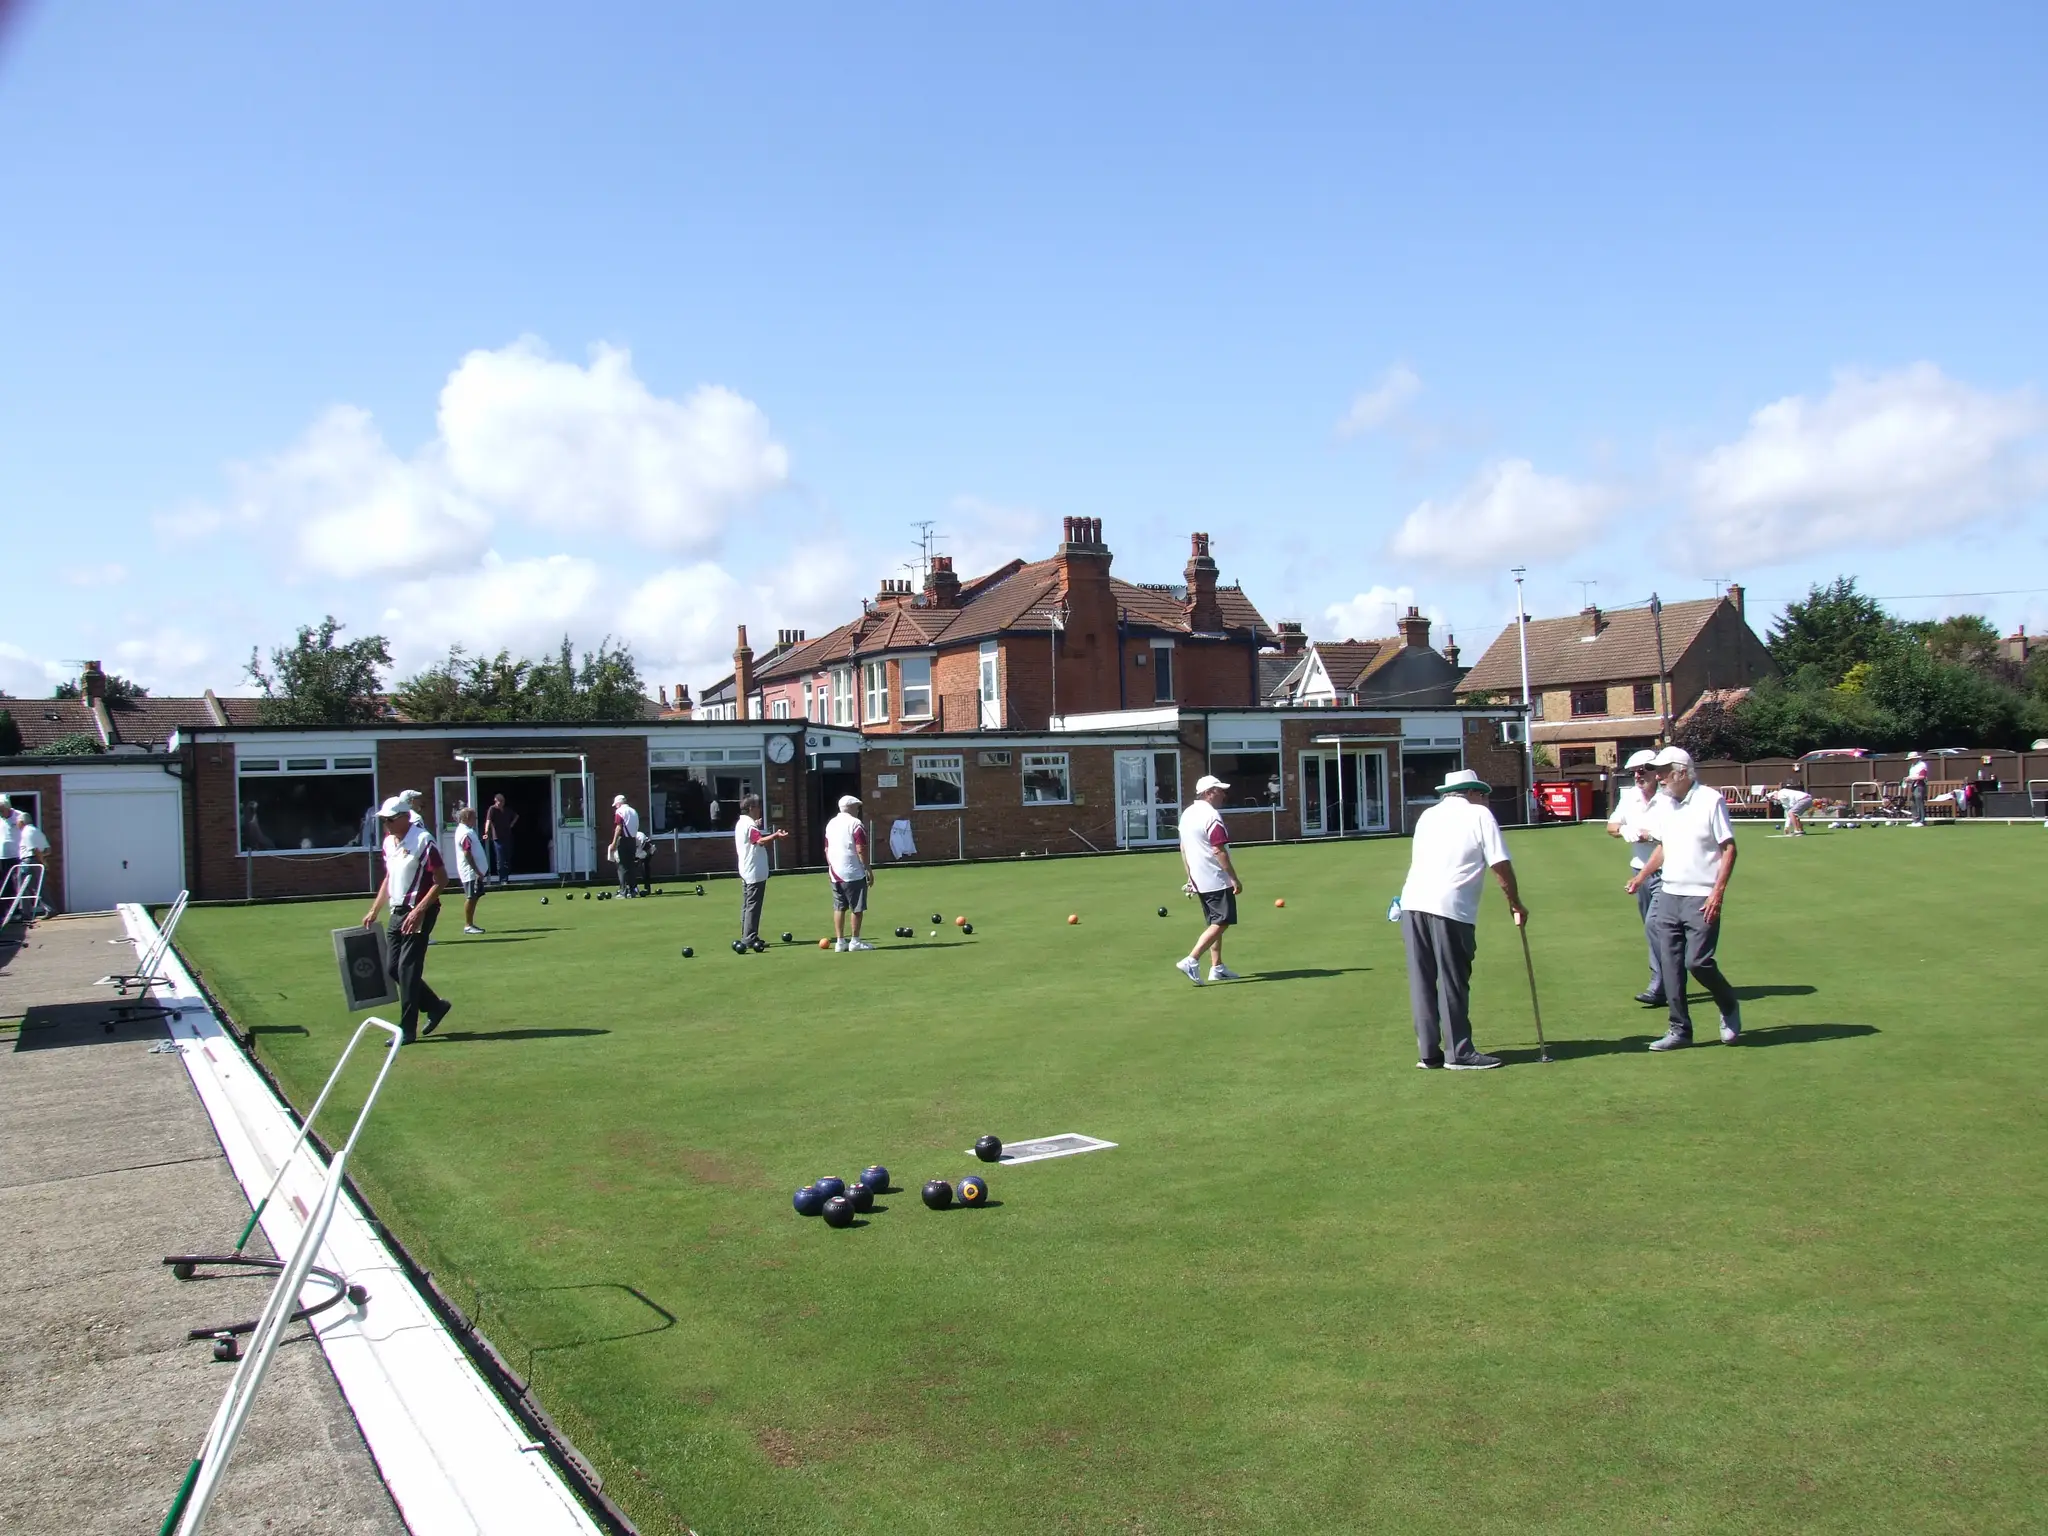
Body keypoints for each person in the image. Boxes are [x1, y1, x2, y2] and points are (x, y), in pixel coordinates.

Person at [1398, 767, 1526, 1070]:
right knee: (1453, 981)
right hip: (1450, 907)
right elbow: (1500, 864)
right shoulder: (1479, 815)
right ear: (1472, 792)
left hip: (1411, 902)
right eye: (1483, 794)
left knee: (1422, 981)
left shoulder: (1428, 815)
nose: (1485, 799)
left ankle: (1429, 1053)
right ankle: (1459, 1053)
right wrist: (1516, 903)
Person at [1629, 746, 1741, 1051]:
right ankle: (1679, 1029)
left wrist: (1718, 891)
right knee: (1671, 964)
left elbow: (1728, 848)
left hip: (1702, 894)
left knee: (1698, 962)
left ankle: (1729, 1004)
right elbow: (1664, 847)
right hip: (1669, 892)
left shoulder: (1710, 800)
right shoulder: (1664, 804)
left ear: (1681, 771)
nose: (1659, 777)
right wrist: (1641, 876)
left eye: (1664, 771)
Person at [362, 793, 451, 1044]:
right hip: (397, 910)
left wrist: (420, 910)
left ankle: (406, 1029)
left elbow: (441, 880)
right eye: (384, 821)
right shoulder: (389, 843)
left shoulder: (423, 840)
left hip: (420, 910)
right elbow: (389, 879)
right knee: (392, 968)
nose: (386, 825)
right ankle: (435, 1005)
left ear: (404, 818)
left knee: (408, 969)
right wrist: (374, 909)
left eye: (390, 820)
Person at [1605, 749, 1666, 1006]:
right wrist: (1625, 830)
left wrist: (1651, 835)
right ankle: (1667, 983)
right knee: (1652, 929)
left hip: (1668, 871)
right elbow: (1611, 826)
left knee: (1655, 926)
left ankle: (1659, 985)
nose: (1639, 775)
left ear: (1657, 771)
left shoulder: (1669, 797)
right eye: (1635, 771)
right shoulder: (1629, 797)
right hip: (1639, 870)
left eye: (1644, 770)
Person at [1174, 774, 1243, 984]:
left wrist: (1190, 877)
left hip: (1199, 877)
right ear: (1207, 793)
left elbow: (1183, 847)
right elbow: (1218, 849)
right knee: (1222, 921)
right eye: (1219, 790)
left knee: (1215, 921)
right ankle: (1192, 960)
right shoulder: (1211, 815)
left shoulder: (1187, 814)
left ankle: (1217, 967)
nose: (1223, 794)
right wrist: (1234, 877)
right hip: (1215, 877)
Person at [733, 793, 789, 951]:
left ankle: (747, 935)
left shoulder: (743, 823)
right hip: (754, 870)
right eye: (758, 806)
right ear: (751, 808)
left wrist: (756, 825)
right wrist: (776, 835)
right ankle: (749, 938)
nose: (760, 810)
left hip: (746, 869)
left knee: (747, 905)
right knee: (753, 906)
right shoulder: (749, 825)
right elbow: (760, 841)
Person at [824, 794, 874, 951]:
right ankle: (855, 941)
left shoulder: (831, 823)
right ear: (851, 808)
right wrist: (867, 868)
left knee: (839, 907)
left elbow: (826, 847)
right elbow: (861, 848)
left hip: (835, 872)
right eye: (857, 807)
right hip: (853, 871)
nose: (858, 810)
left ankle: (840, 942)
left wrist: (831, 865)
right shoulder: (855, 823)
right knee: (856, 907)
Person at [453, 805, 488, 934]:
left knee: (474, 896)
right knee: (471, 896)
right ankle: (468, 925)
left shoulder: (468, 830)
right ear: (467, 818)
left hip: (475, 872)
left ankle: (470, 924)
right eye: (474, 817)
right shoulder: (464, 832)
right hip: (470, 872)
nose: (475, 820)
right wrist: (477, 870)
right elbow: (467, 852)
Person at [609, 794, 643, 897]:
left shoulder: (620, 811)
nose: (615, 806)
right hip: (632, 840)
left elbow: (619, 827)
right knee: (631, 866)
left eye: (616, 804)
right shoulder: (634, 811)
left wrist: (614, 843)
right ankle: (633, 890)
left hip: (623, 840)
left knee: (622, 866)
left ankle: (623, 891)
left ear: (619, 803)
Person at [483, 793, 517, 884]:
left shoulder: (507, 810)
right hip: (497, 838)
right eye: (500, 801)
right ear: (496, 801)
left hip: (507, 837)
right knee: (500, 859)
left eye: (503, 801)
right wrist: (486, 832)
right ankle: (502, 879)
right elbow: (488, 821)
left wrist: (511, 825)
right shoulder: (492, 809)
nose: (501, 803)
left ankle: (506, 878)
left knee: (507, 858)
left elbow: (516, 816)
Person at [1904, 752, 1930, 826]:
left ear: (1916, 758)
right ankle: (1915, 820)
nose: (1911, 760)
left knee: (1919, 801)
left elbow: (1922, 776)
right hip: (1913, 785)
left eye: (1912, 759)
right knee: (1913, 802)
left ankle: (1921, 821)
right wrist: (1907, 779)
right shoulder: (1912, 766)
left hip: (1920, 785)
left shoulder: (1922, 765)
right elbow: (1912, 776)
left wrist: (1911, 778)